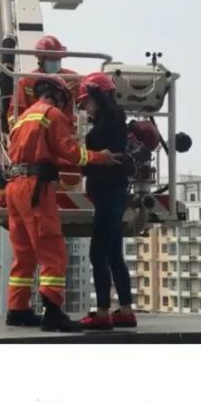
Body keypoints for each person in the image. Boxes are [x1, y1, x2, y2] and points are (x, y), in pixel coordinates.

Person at [3, 75, 121, 332]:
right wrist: (100, 157)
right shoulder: (52, 115)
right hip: (35, 187)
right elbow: (72, 153)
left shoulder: (22, 118)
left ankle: (17, 309)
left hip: (14, 186)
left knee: (23, 254)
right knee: (52, 250)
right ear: (57, 96)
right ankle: (53, 313)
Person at [75, 73, 136, 330]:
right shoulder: (114, 124)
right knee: (113, 254)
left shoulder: (108, 124)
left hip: (109, 195)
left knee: (97, 253)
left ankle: (102, 313)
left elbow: (109, 110)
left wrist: (94, 90)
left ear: (98, 99)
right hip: (114, 194)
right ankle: (125, 310)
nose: (85, 108)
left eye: (86, 102)